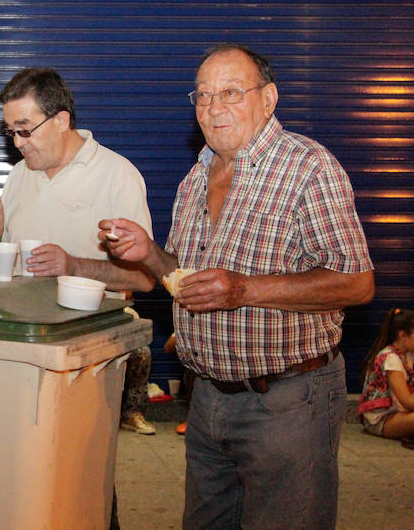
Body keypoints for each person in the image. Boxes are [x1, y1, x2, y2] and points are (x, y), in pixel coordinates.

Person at [102, 43, 375, 529]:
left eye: (231, 91)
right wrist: (150, 253)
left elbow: (356, 284)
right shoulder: (195, 178)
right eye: (203, 96)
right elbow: (185, 278)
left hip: (289, 401)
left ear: (268, 99)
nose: (213, 107)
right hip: (207, 398)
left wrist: (245, 289)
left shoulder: (308, 167)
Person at [0, 67, 158, 435]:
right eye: (11, 132)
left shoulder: (116, 176)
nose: (17, 143)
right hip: (24, 347)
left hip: (89, 357)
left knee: (83, 468)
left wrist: (72, 265)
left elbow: (145, 279)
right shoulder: (20, 176)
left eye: (25, 129)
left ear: (61, 120)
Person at [358, 308, 414, 450]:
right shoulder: (391, 358)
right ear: (403, 335)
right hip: (382, 419)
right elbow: (407, 402)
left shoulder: (408, 356)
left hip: (400, 413)